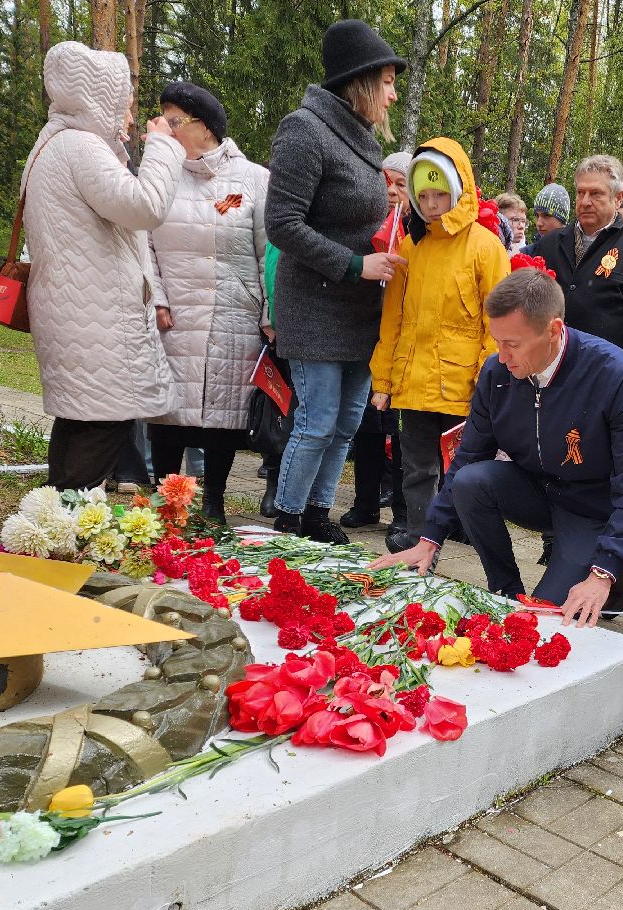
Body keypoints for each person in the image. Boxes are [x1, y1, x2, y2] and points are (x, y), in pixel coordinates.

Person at [370, 268, 623, 625]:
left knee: (549, 616)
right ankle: (504, 593)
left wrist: (602, 573)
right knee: (471, 482)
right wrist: (430, 539)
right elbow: (467, 458)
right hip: (534, 490)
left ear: (553, 330)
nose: (502, 357)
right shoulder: (496, 373)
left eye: (513, 344)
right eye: (497, 341)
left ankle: (611, 565)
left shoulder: (615, 376)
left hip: (590, 507)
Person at [265, 19, 408, 544]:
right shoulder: (304, 130)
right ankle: (288, 519)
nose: (393, 95)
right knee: (318, 419)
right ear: (360, 81)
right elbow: (282, 223)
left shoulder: (361, 137)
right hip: (316, 306)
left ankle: (318, 514)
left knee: (347, 422)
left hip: (359, 311)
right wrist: (353, 264)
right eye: (387, 83)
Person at [24, 41, 184, 490]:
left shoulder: (53, 144)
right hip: (95, 317)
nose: (130, 118)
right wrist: (163, 147)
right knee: (101, 425)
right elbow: (145, 206)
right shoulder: (82, 148)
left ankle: (55, 516)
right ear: (99, 100)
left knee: (80, 421)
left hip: (77, 311)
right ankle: (66, 521)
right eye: (124, 106)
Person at [370, 137, 510, 552]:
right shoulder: (410, 246)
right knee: (416, 468)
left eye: (439, 194)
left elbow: (496, 323)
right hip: (413, 383)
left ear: (458, 189)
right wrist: (383, 381)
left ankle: (468, 536)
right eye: (423, 196)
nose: (431, 205)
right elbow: (393, 319)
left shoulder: (486, 247)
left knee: (464, 470)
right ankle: (419, 540)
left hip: (463, 385)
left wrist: (488, 378)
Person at [146, 82, 270, 520]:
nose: (165, 128)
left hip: (233, 314)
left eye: (174, 121)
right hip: (174, 315)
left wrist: (269, 312)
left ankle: (214, 500)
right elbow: (143, 244)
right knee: (167, 413)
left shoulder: (253, 179)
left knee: (223, 412)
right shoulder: (159, 174)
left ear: (205, 127)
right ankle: (165, 504)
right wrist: (157, 299)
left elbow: (268, 253)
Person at [536, 155, 623, 390]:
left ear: (618, 198)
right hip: (549, 378)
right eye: (580, 193)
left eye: (595, 194)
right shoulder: (549, 244)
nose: (585, 202)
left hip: (603, 381)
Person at [340, 149, 411, 540]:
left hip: (403, 342)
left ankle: (402, 510)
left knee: (400, 432)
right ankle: (364, 501)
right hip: (367, 337)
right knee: (366, 425)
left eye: (401, 184)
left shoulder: (418, 232)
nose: (392, 192)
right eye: (386, 183)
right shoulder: (365, 226)